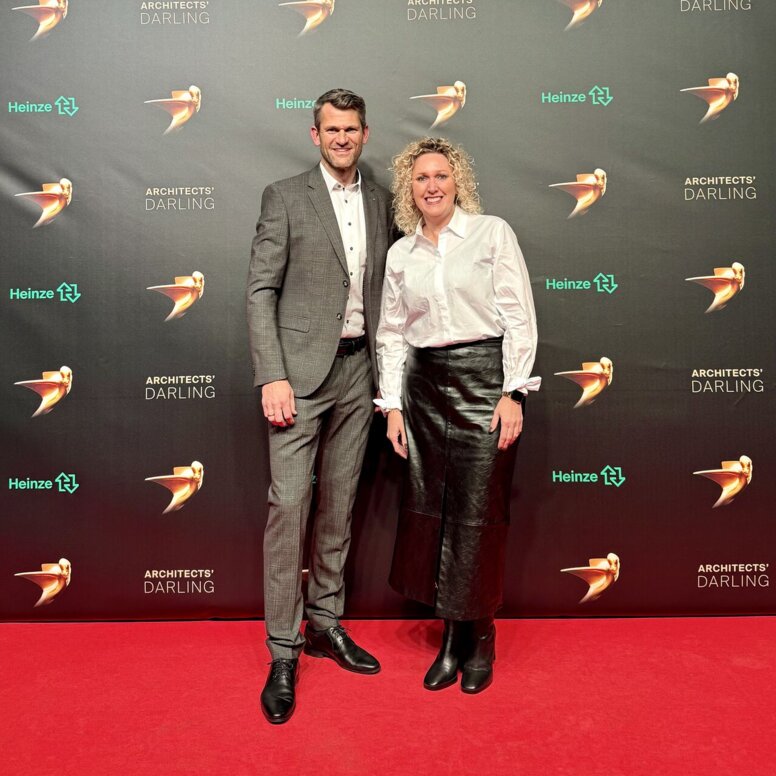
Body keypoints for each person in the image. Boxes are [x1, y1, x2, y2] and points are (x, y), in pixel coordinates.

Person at [246, 88, 394, 724]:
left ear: (365, 134)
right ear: (315, 135)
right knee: (290, 509)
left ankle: (325, 623)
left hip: (361, 371)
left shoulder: (383, 202)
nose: (341, 138)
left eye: (351, 129)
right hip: (298, 377)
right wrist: (271, 376)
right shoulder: (283, 196)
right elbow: (260, 290)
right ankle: (283, 651)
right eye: (331, 129)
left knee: (339, 504)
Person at [375, 137, 539, 694]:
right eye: (421, 177)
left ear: (457, 181)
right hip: (423, 389)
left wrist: (513, 391)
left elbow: (518, 315)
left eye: (441, 175)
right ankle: (451, 638)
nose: (432, 186)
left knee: (479, 512)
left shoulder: (492, 233)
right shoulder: (402, 254)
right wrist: (392, 405)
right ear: (410, 189)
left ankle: (481, 636)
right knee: (435, 512)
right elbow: (392, 333)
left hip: (484, 381)